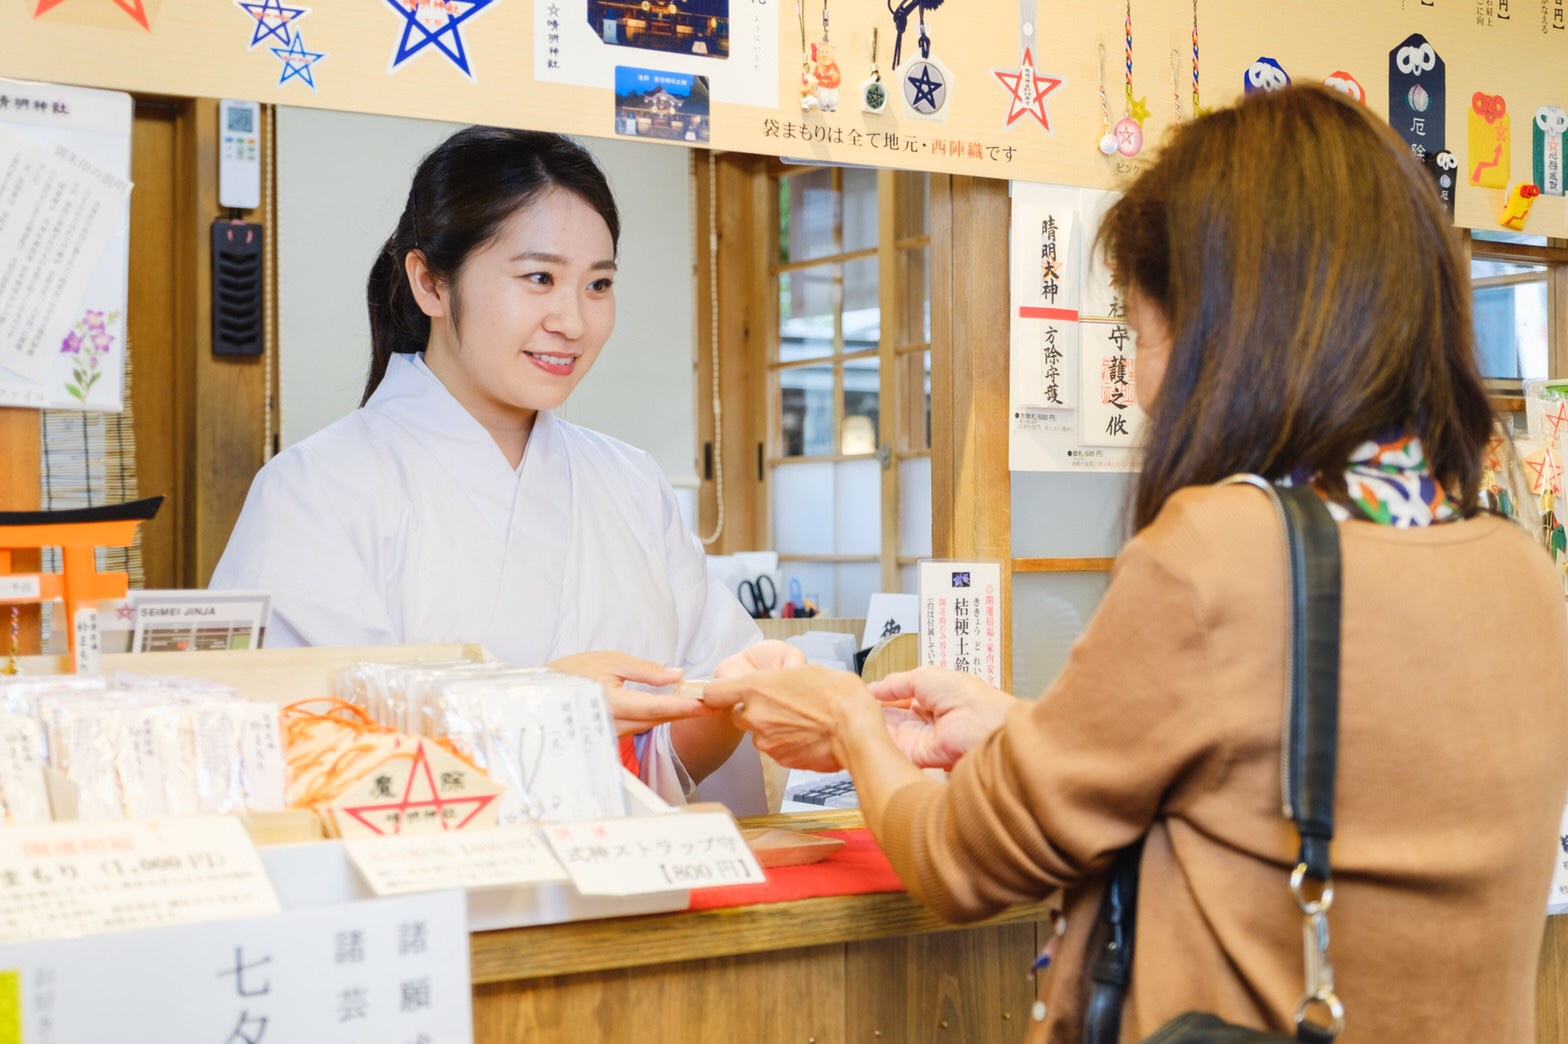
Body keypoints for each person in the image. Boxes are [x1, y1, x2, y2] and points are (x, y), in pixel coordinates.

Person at [706, 86, 1568, 1041]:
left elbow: (961, 860)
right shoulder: (1514, 566)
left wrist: (850, 719)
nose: (1146, 382)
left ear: (1214, 330)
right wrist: (1025, 735)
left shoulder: (1225, 552)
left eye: (1133, 327)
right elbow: (1291, 781)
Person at [212, 126, 797, 804]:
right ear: (430, 282)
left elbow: (676, 758)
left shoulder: (633, 484)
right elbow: (299, 753)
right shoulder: (315, 491)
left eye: (599, 284)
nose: (574, 322)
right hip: (439, 897)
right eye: (539, 277)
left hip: (640, 888)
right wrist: (545, 706)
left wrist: (732, 696)